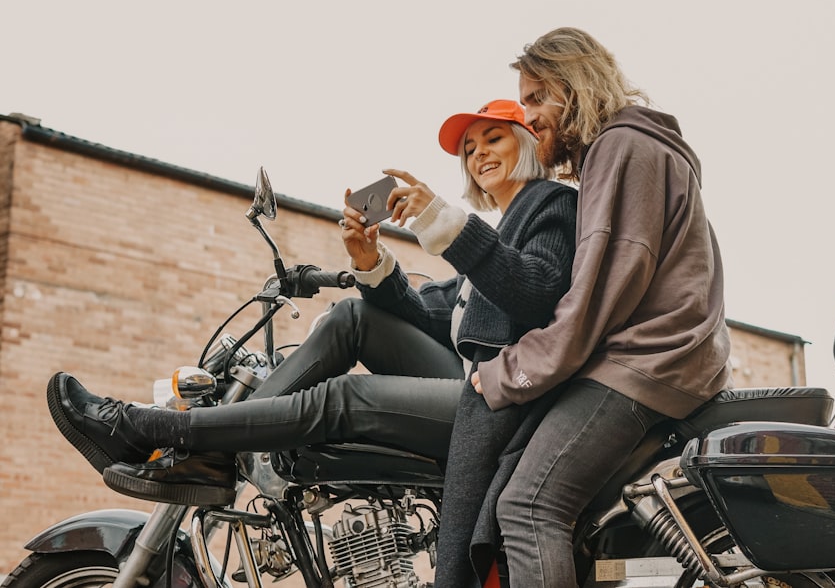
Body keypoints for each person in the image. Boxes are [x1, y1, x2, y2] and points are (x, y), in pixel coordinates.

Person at [47, 99, 578, 508]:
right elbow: (428, 314)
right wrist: (370, 259)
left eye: (493, 138)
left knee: (344, 397)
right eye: (469, 148)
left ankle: (159, 429)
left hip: (505, 402)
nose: (478, 152)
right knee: (352, 315)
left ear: (528, 144)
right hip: (471, 379)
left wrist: (446, 225)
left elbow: (538, 293)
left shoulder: (553, 204)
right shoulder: (493, 235)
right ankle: (212, 451)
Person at [467, 28, 733, 587]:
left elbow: (597, 296)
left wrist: (510, 371)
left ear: (575, 86)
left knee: (527, 507)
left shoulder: (621, 145)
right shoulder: (635, 148)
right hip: (665, 359)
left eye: (537, 97)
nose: (529, 115)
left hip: (643, 364)